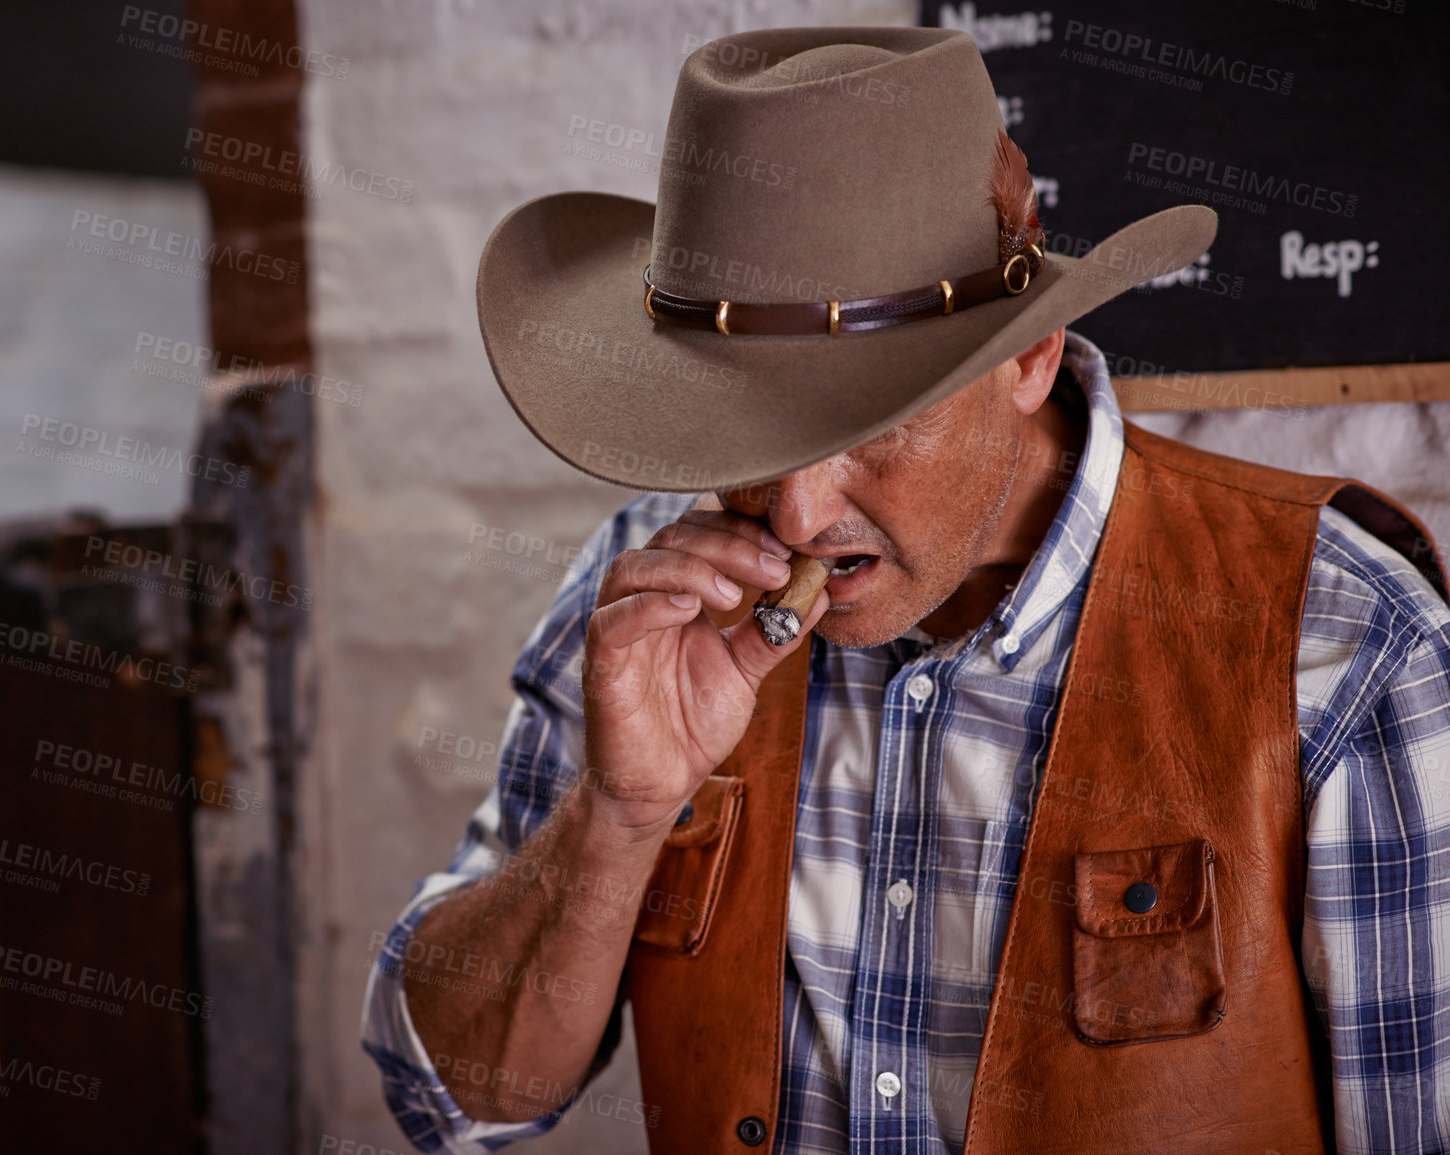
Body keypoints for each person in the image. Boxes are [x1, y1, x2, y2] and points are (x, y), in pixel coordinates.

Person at [363, 26, 1450, 1155]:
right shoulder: (658, 590)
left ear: (1029, 358)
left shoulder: (1345, 649)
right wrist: (618, 816)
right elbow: (452, 1096)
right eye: (746, 433)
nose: (793, 516)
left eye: (871, 424)